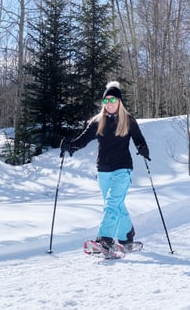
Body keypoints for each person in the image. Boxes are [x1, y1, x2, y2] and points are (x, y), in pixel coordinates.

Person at [61, 81, 150, 255]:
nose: (109, 104)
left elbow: (139, 139)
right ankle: (126, 235)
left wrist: (143, 148)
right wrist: (70, 146)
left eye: (113, 100)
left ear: (119, 102)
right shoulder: (97, 122)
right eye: (106, 101)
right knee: (116, 204)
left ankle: (105, 239)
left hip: (122, 168)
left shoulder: (128, 120)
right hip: (103, 170)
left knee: (111, 204)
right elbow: (83, 140)